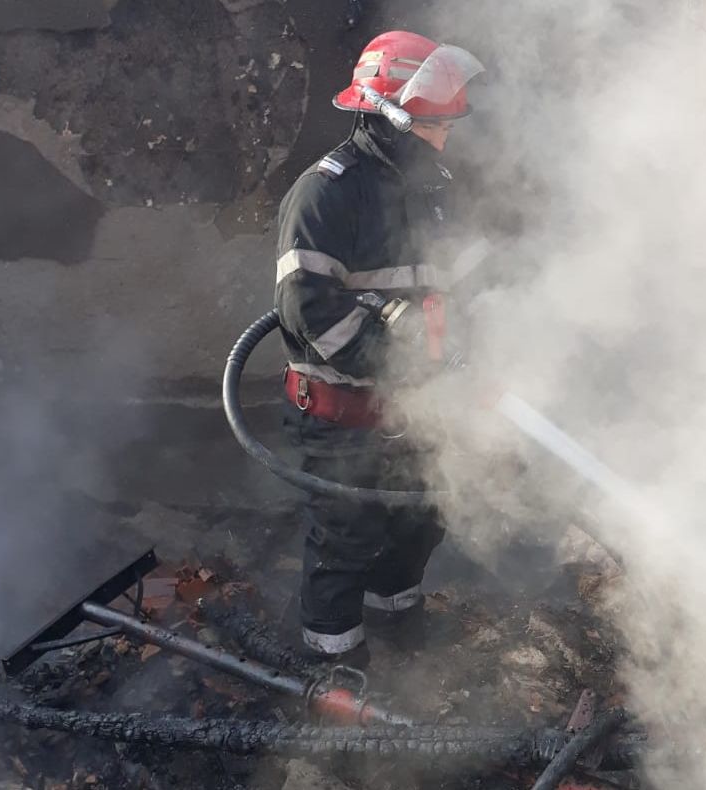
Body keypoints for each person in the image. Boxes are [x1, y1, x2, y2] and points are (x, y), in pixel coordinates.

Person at [274, 31, 484, 664]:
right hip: (343, 418)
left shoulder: (435, 194)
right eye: (433, 126)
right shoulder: (326, 193)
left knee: (417, 525)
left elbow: (465, 288)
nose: (445, 138)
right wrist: (404, 368)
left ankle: (399, 645)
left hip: (416, 415)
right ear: (389, 117)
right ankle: (336, 679)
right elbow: (310, 310)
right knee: (346, 542)